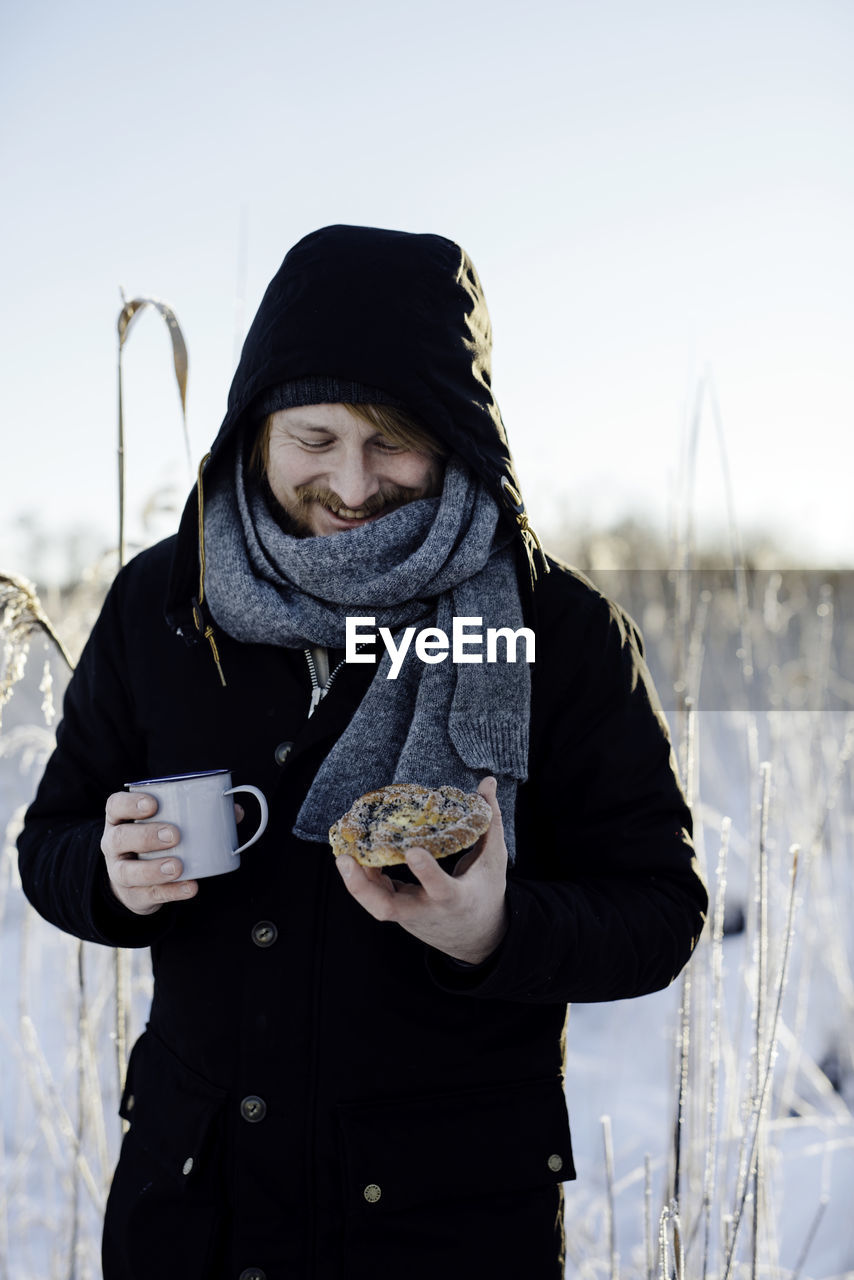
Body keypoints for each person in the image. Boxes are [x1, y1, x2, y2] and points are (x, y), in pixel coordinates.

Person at [18, 224, 707, 1280]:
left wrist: (497, 926)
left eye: (392, 438)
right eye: (314, 437)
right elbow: (50, 840)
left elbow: (659, 909)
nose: (350, 481)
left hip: (443, 1227)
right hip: (194, 1209)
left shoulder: (552, 626)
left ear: (461, 432)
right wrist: (107, 875)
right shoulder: (166, 599)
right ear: (255, 425)